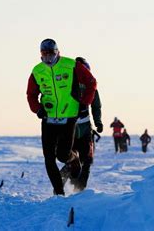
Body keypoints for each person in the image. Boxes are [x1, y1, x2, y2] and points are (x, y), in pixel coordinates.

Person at [27, 39, 97, 196]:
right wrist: (38, 109)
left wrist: (84, 103)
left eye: (51, 54)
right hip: (48, 118)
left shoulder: (71, 65)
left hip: (69, 117)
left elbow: (91, 82)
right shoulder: (37, 71)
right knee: (49, 157)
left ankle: (74, 160)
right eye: (44, 54)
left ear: (57, 52)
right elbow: (31, 94)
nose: (48, 58)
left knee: (63, 154)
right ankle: (59, 193)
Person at [60, 57, 103, 192]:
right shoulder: (66, 86)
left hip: (85, 129)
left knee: (86, 160)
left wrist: (98, 122)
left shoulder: (91, 88)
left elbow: (96, 106)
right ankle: (62, 183)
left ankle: (79, 189)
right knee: (74, 159)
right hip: (70, 128)